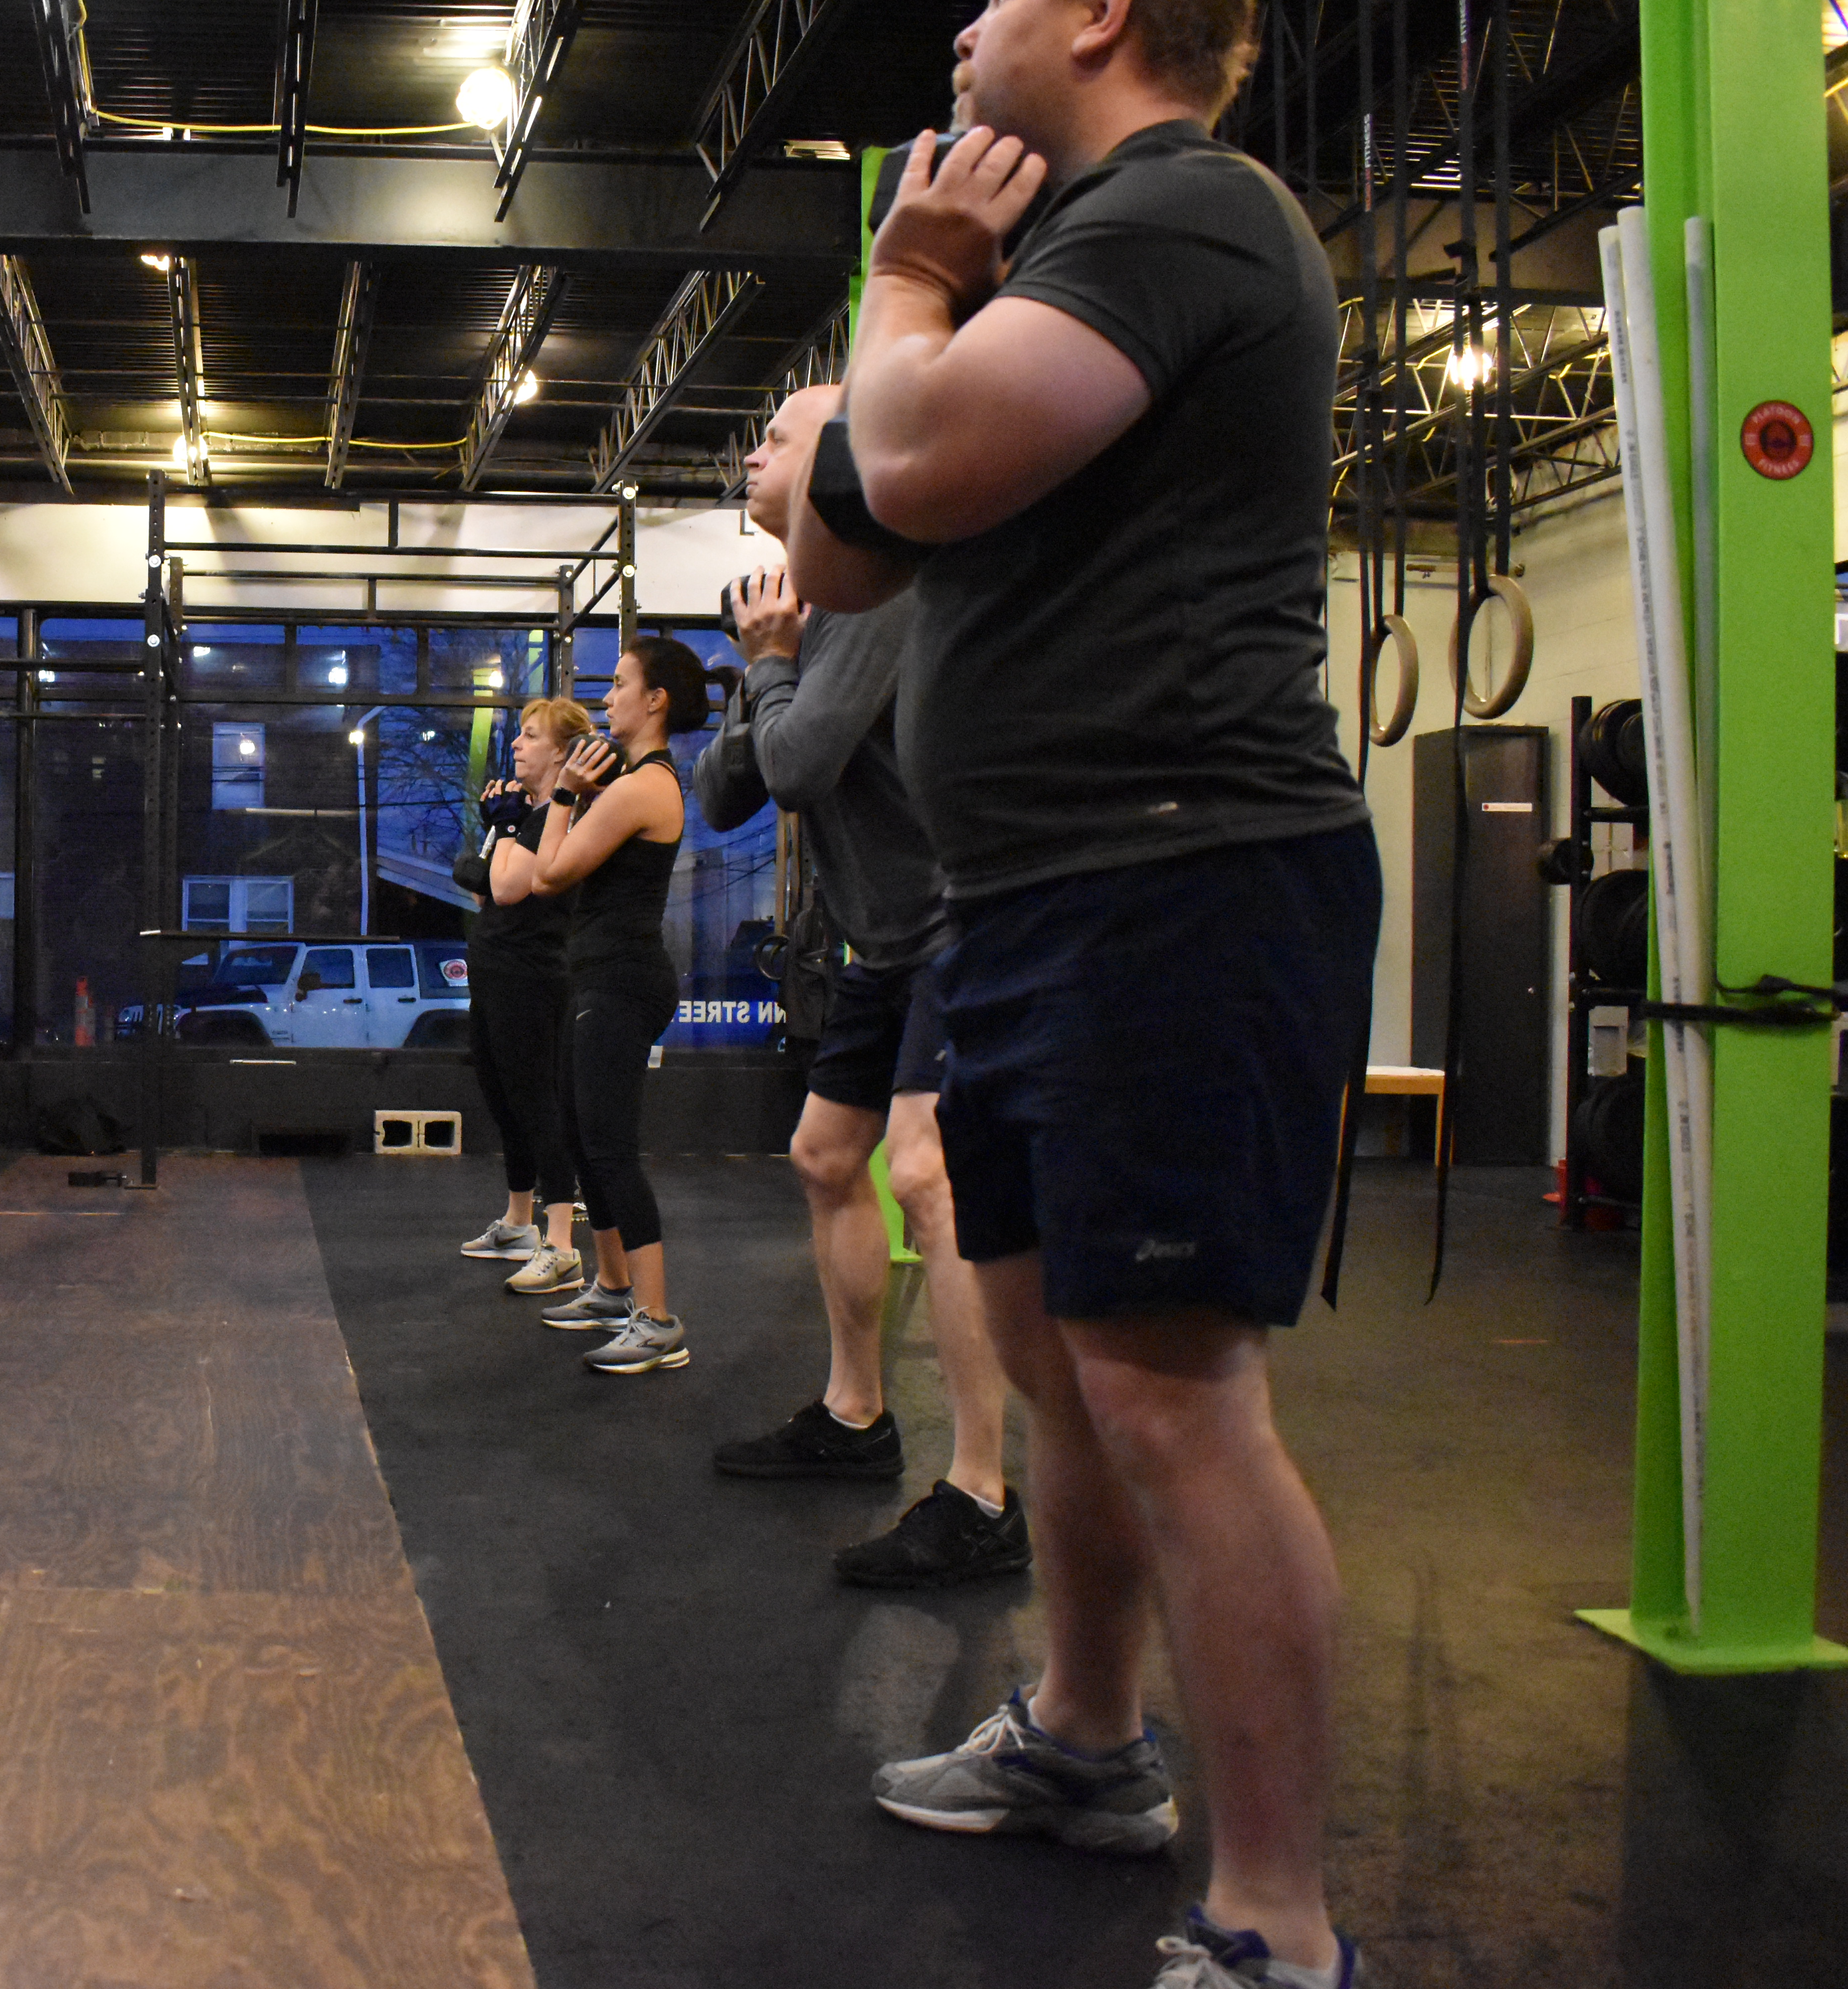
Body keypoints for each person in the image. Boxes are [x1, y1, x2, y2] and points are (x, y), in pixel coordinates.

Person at [785, 1, 1379, 1983]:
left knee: (1172, 1391)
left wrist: (900, 290)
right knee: (1053, 1367)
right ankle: (1089, 1743)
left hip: (1179, 871)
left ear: (1110, 12)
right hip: (1040, 893)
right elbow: (852, 562)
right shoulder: (1057, 270)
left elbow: (911, 462)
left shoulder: (1177, 212)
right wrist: (870, 415)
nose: (956, 27)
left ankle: (1277, 1920)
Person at [696, 391, 1022, 1588]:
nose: (750, 448)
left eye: (772, 435)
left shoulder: (885, 591)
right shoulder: (808, 614)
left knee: (928, 1178)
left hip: (960, 920)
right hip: (880, 937)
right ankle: (853, 1416)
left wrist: (771, 670)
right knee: (827, 1156)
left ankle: (983, 1491)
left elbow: (792, 766)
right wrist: (765, 666)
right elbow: (724, 793)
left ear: (840, 460)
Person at [529, 637, 706, 1375]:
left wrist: (566, 794)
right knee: (578, 1133)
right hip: (600, 974)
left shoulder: (644, 786)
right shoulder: (632, 782)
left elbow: (549, 875)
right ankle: (611, 1286)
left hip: (623, 981)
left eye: (620, 684)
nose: (607, 698)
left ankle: (658, 1320)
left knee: (607, 1145)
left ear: (655, 700)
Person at [454, 697, 592, 1295]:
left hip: (533, 977)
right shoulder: (526, 817)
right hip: (494, 970)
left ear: (561, 753)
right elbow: (480, 889)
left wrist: (503, 831)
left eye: (531, 736)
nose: (516, 745)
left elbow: (506, 887)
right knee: (503, 1098)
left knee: (538, 1103)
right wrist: (497, 831)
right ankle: (518, 1222)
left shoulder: (557, 820)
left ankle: (560, 1241)